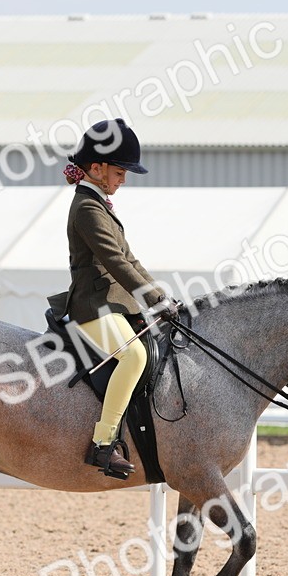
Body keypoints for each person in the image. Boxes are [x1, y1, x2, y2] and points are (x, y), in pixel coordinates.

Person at [49, 118, 177, 479]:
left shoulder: (100, 204)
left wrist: (161, 296)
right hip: (92, 307)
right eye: (120, 172)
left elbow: (131, 258)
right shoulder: (88, 209)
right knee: (134, 356)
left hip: (116, 303)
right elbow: (114, 261)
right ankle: (104, 443)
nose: (124, 179)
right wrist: (152, 297)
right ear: (97, 168)